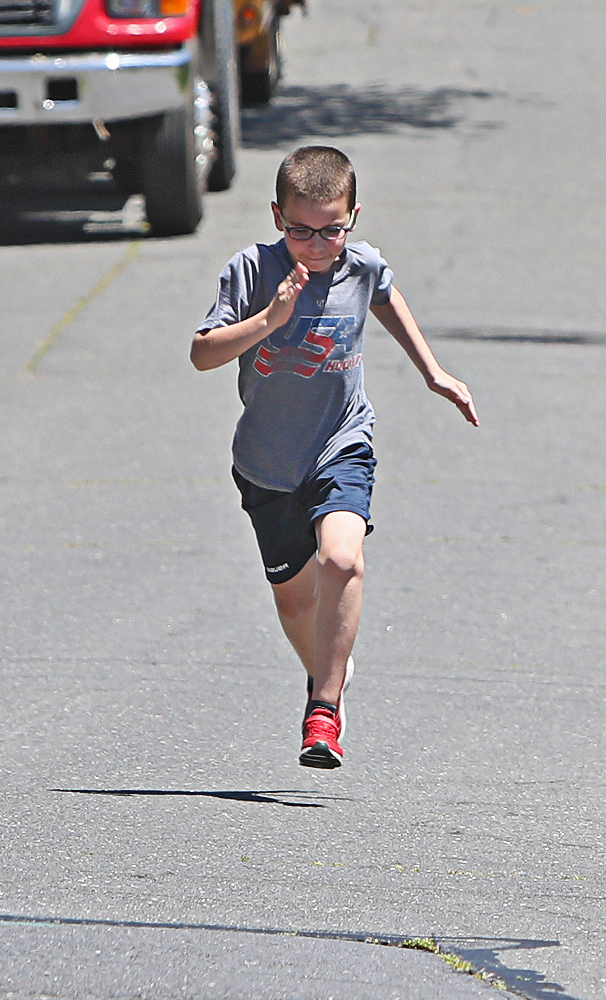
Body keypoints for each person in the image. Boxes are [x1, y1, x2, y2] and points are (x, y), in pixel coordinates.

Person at [191, 145, 478, 769]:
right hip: (267, 463)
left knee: (342, 561)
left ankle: (323, 708)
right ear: (276, 217)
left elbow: (385, 295)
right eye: (301, 230)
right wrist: (272, 317)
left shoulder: (360, 263)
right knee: (295, 600)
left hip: (342, 441)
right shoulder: (253, 270)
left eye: (332, 230)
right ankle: (332, 673)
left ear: (352, 218)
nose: (317, 245)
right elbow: (204, 354)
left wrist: (432, 371)